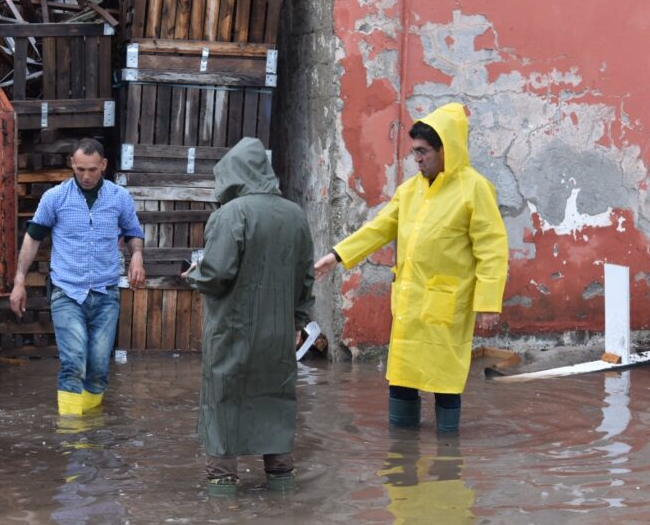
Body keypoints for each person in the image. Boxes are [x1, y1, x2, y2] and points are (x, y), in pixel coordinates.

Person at [314, 102, 508, 432]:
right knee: (401, 380)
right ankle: (402, 457)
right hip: (409, 306)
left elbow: (492, 249)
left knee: (445, 384)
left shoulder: (474, 189)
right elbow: (378, 228)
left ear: (446, 150)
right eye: (414, 152)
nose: (416, 159)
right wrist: (338, 255)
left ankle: (448, 458)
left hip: (447, 305)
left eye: (423, 152)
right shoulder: (410, 190)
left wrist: (488, 302)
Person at [183, 137, 315, 494]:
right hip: (279, 333)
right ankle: (281, 484)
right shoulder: (295, 215)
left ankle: (223, 495)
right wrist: (298, 323)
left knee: (224, 399)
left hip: (233, 330)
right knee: (275, 398)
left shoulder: (230, 214)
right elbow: (306, 278)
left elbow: (216, 274)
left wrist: (194, 273)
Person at [9, 138, 146, 417]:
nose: (86, 176)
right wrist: (19, 281)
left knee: (98, 366)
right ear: (72, 164)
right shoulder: (55, 198)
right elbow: (32, 238)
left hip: (106, 293)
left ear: (104, 166)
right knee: (73, 362)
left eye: (92, 170)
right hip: (67, 292)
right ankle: (73, 437)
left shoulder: (119, 198)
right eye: (80, 168)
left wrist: (137, 256)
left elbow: (133, 233)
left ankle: (91, 428)